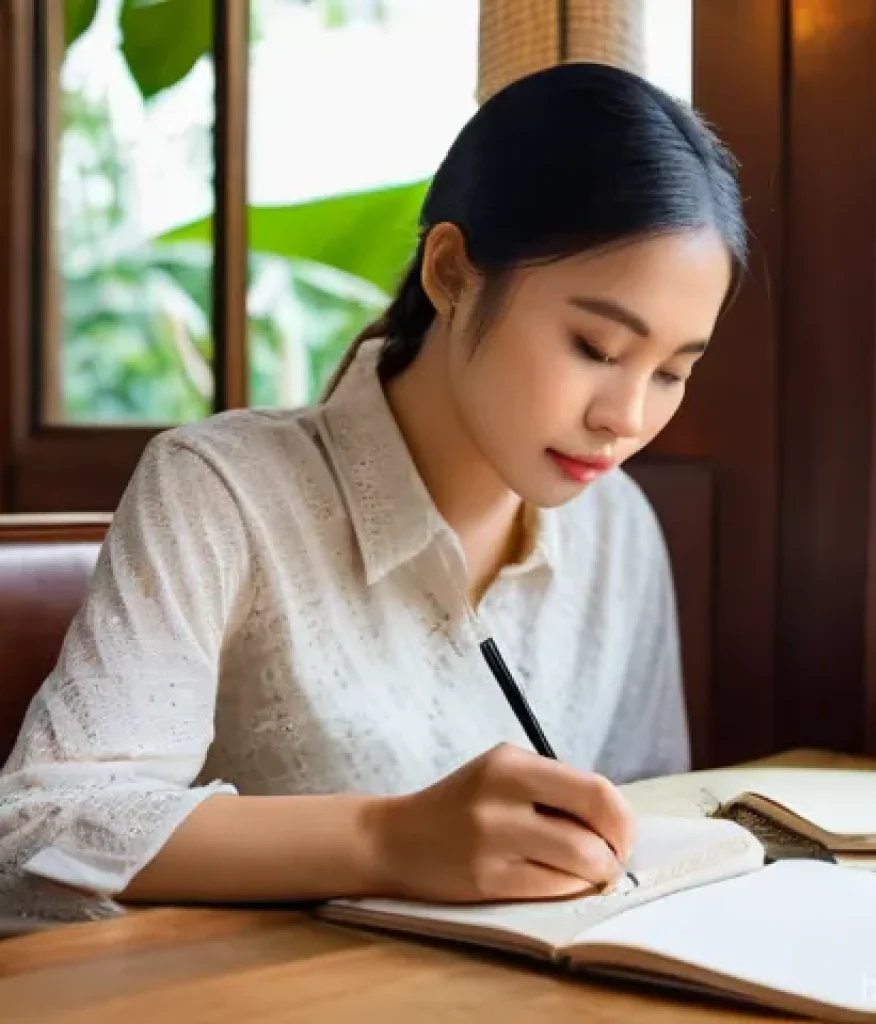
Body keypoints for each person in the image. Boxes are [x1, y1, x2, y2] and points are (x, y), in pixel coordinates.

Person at [0, 62, 745, 922]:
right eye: (596, 347)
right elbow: (29, 837)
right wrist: (386, 842)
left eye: (673, 372)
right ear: (452, 273)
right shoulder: (220, 492)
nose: (627, 416)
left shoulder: (619, 527)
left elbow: (650, 840)